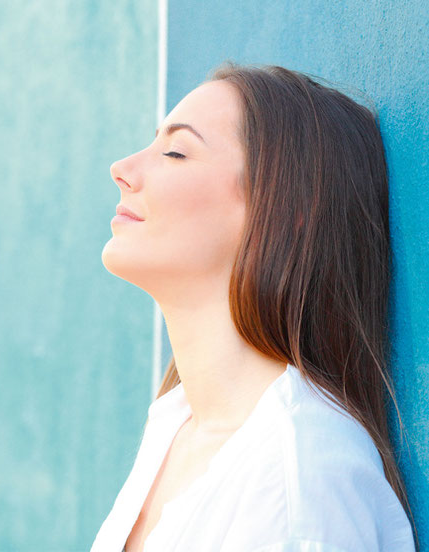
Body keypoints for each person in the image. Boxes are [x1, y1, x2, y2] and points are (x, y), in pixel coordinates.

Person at [91, 61, 418, 551]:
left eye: (176, 152)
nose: (122, 169)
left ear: (288, 209)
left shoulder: (300, 480)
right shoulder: (176, 423)